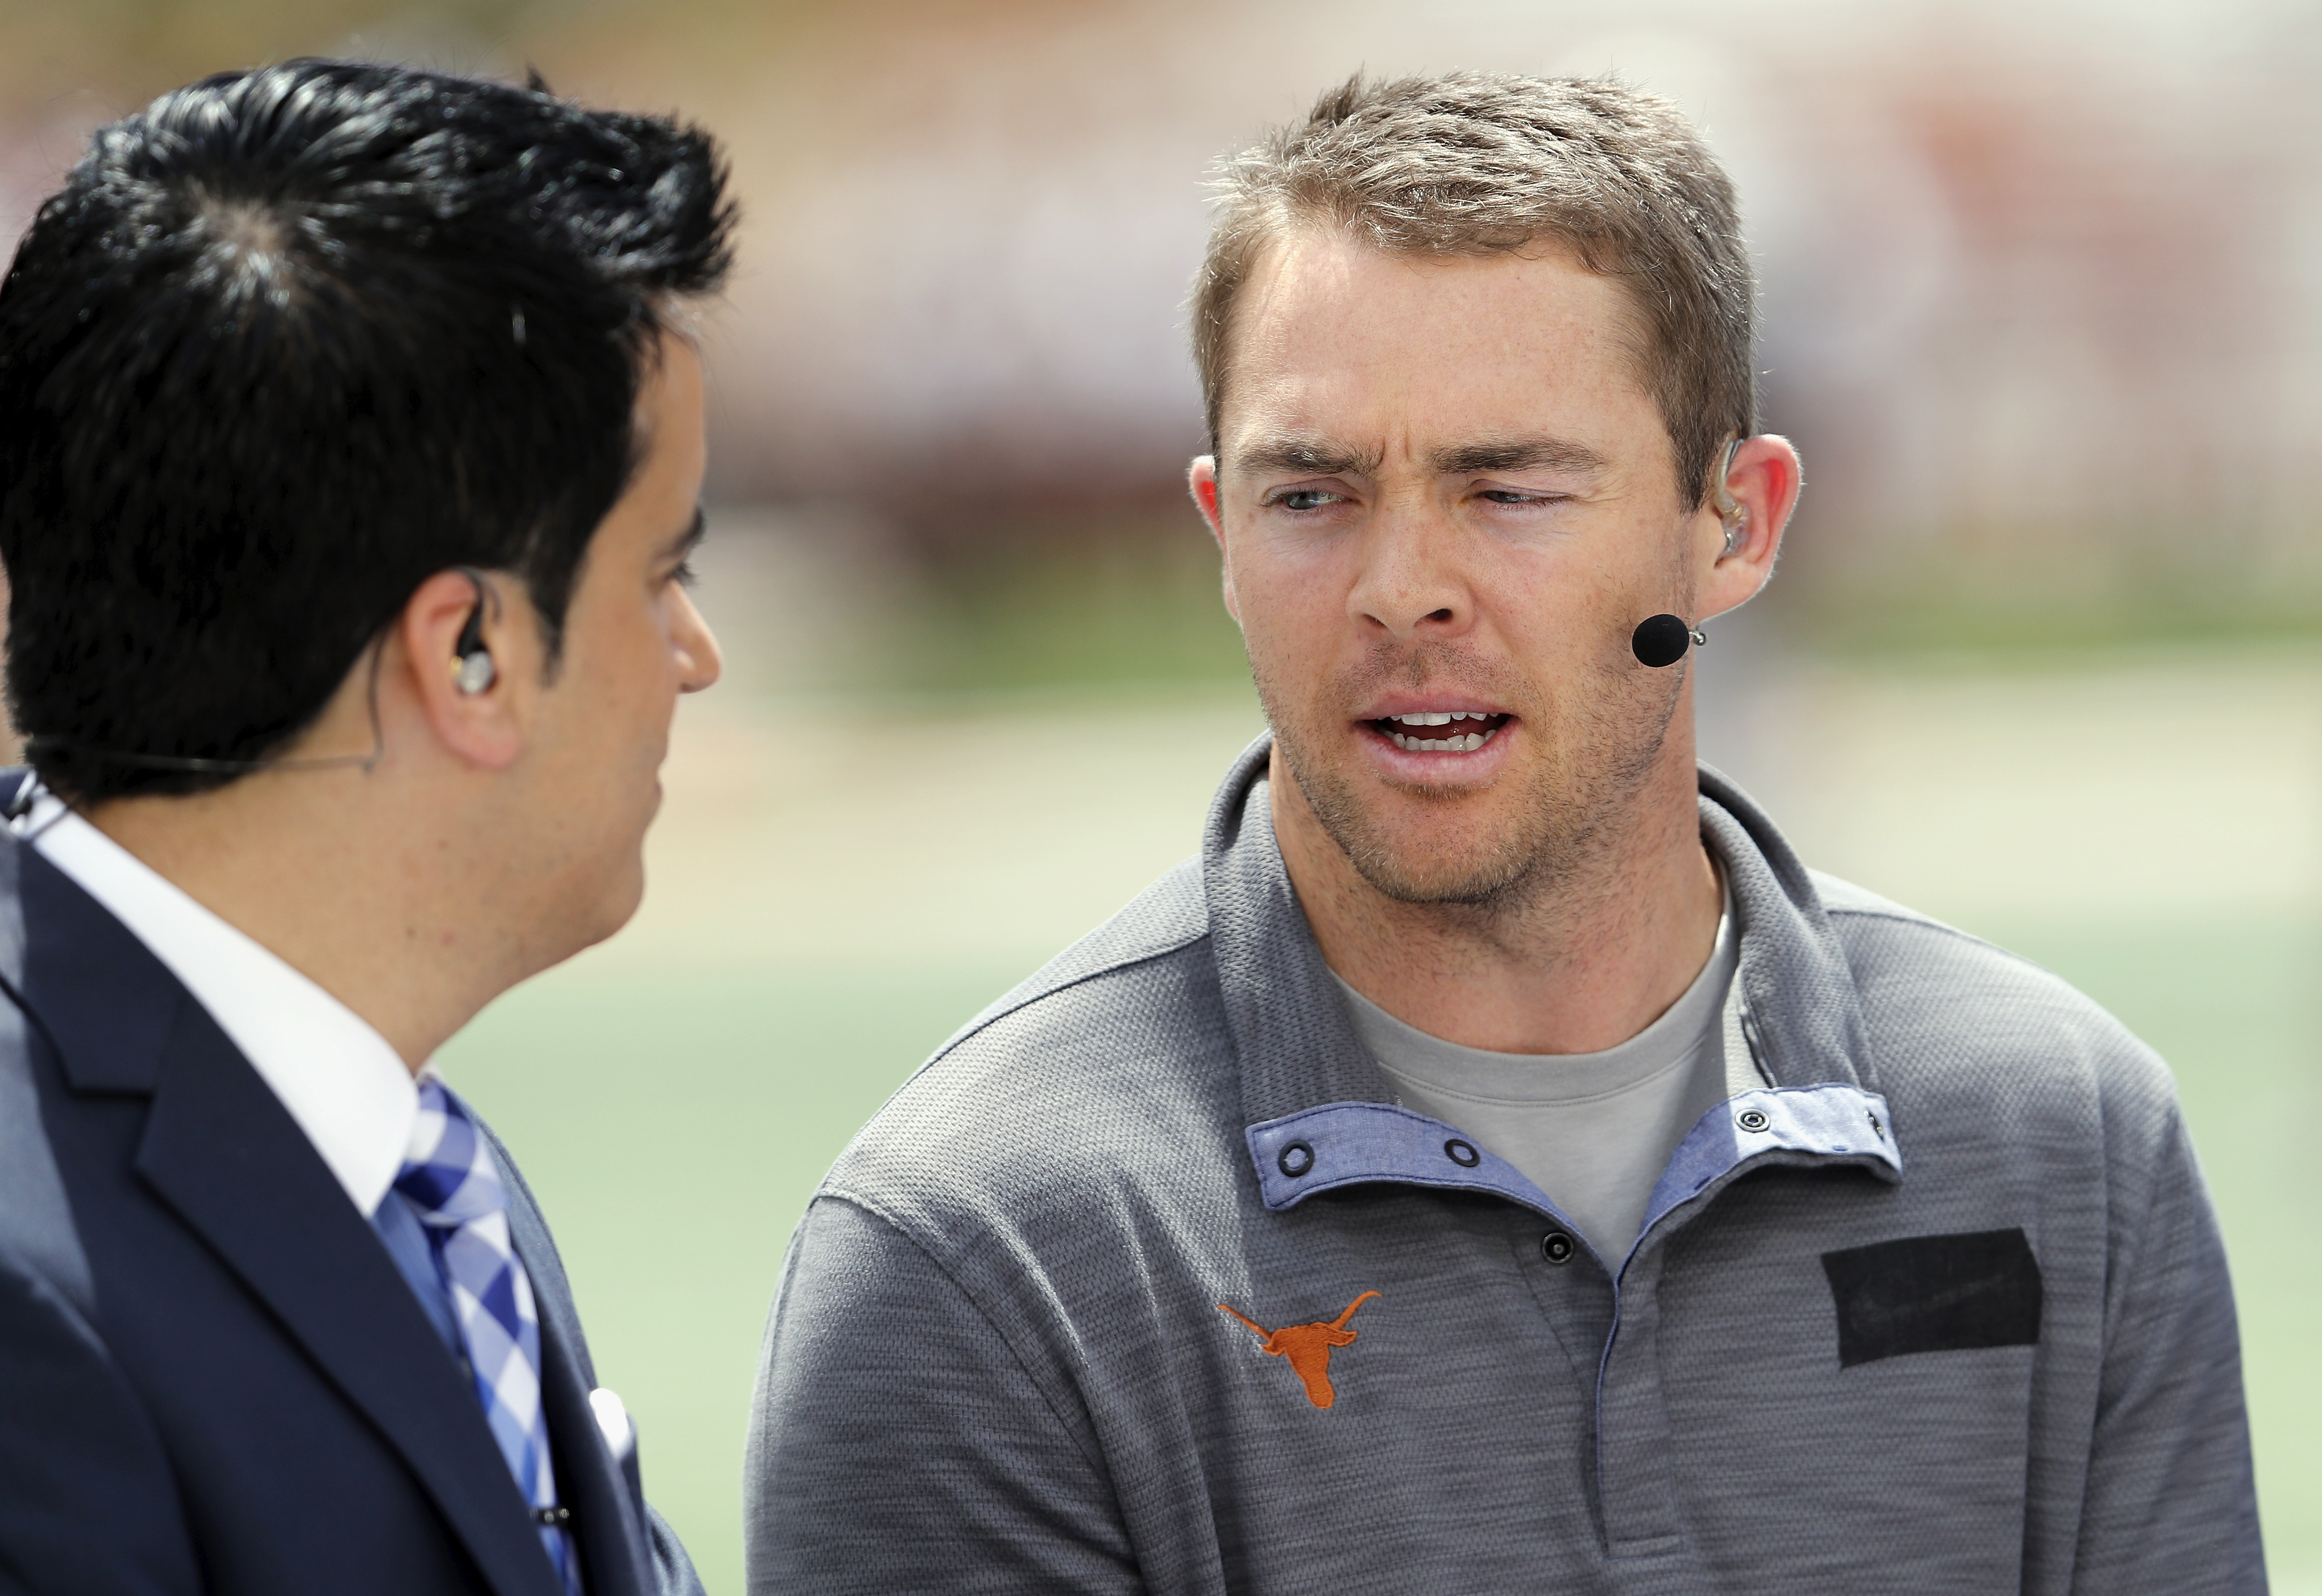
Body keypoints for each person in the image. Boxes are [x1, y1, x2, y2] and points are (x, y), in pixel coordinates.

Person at [742, 70, 2264, 1593]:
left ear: (1735, 524)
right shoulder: (981, 1249)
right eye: (1312, 494)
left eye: (1509, 487)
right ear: (1217, 532)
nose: (1401, 585)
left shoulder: (2064, 1140)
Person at [0, 61, 729, 1596]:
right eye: (661, 571)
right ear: (463, 650)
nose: (695, 649)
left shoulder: (397, 1145)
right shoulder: (29, 1299)